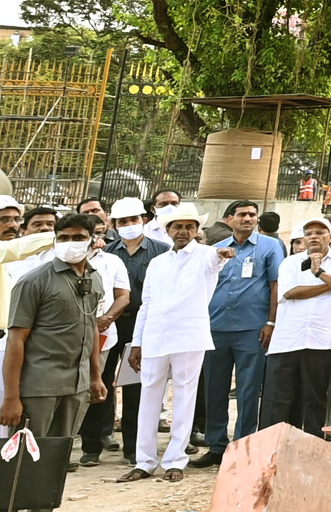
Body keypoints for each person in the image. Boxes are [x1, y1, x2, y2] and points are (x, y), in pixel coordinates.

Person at [121, 203, 236, 483]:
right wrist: (137, 342)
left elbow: (218, 259)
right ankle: (144, 461)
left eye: (189, 227)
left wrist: (222, 255)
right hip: (155, 336)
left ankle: (175, 460)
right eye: (177, 226)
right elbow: (146, 304)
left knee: (184, 398)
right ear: (167, 229)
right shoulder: (158, 262)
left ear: (197, 230)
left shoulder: (207, 254)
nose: (183, 231)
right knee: (148, 397)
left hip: (189, 336)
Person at [0, 214, 106, 456]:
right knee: (25, 459)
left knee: (58, 457)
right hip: (39, 386)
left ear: (92, 241)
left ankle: (48, 497)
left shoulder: (94, 278)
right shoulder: (34, 282)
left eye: (78, 237)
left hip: (76, 385)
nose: (71, 242)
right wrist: (11, 397)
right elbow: (16, 339)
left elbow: (90, 328)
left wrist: (95, 376)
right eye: (63, 238)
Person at [192, 200, 283, 469]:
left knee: (247, 388)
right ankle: (217, 445)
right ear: (229, 219)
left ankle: (243, 446)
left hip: (252, 328)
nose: (248, 218)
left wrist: (271, 322)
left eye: (252, 215)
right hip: (216, 327)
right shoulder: (217, 250)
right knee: (214, 388)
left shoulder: (270, 246)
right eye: (242, 214)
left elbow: (275, 284)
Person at [263, 217, 331, 437]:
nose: (313, 236)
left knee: (315, 399)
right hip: (288, 339)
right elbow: (290, 292)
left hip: (322, 340)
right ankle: (273, 447)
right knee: (279, 399)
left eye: (319, 232)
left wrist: (319, 273)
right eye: (308, 233)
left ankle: (311, 448)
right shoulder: (291, 262)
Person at [96, 197, 167, 464]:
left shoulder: (161, 250)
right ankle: (93, 444)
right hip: (109, 322)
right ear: (114, 224)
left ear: (144, 220)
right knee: (100, 378)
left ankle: (133, 448)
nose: (129, 225)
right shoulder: (107, 253)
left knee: (134, 385)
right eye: (123, 222)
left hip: (142, 323)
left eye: (134, 220)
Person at [74, 215, 129, 465]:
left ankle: (91, 447)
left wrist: (106, 319)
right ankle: (62, 447)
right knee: (68, 390)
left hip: (103, 335)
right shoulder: (64, 259)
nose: (97, 239)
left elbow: (123, 296)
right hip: (68, 336)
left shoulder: (112, 261)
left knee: (97, 387)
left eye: (99, 233)